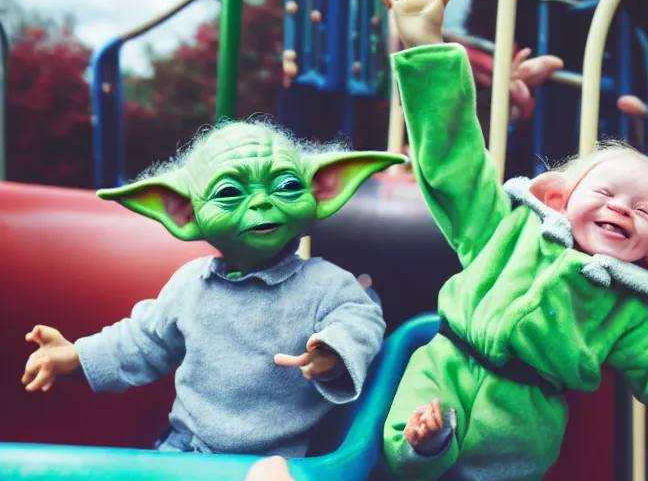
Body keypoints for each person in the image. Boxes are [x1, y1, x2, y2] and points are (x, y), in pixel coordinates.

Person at [380, 0, 648, 479]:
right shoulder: (506, 232)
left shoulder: (621, 307)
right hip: (447, 367)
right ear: (559, 197)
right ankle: (427, 444)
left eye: (642, 211)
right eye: (606, 194)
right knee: (410, 446)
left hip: (523, 417)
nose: (622, 209)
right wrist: (426, 49)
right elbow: (454, 161)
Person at [21, 119, 405, 470]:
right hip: (190, 451)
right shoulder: (190, 287)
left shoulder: (326, 284)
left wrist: (334, 351)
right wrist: (76, 356)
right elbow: (143, 341)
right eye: (229, 193)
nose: (260, 202)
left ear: (321, 190)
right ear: (184, 212)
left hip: (282, 461)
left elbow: (361, 316)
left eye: (286, 185)